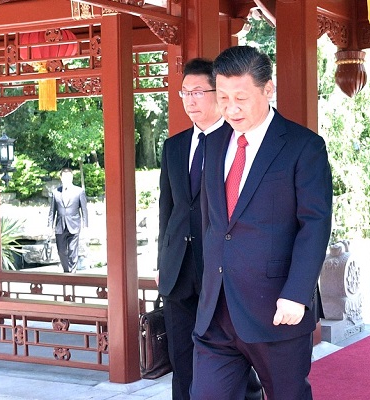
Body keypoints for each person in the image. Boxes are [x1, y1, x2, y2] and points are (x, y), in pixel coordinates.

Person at [191, 45, 332, 400]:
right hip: (217, 312)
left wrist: (297, 294)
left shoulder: (303, 146)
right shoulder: (213, 142)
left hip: (277, 310)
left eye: (241, 97)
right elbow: (213, 223)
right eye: (222, 97)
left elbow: (314, 225)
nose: (231, 108)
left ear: (268, 90)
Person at [157, 58, 262, 400]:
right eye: (184, 92)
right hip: (178, 270)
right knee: (181, 360)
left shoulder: (235, 144)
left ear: (218, 95)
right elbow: (168, 209)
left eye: (198, 91)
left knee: (229, 359)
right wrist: (162, 261)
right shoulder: (173, 145)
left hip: (219, 270)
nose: (190, 99)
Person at [47, 168, 88, 273]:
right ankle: (67, 270)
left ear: (72, 178)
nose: (67, 179)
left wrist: (86, 226)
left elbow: (84, 210)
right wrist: (49, 226)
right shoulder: (56, 192)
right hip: (60, 226)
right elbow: (52, 211)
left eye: (69, 177)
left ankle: (72, 273)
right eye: (64, 177)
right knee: (61, 251)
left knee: (72, 250)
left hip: (74, 225)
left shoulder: (79, 191)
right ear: (61, 178)